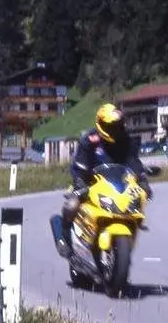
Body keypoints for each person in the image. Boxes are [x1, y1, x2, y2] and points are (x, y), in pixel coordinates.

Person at [55, 102, 152, 257]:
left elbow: (133, 162)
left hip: (117, 184)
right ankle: (64, 239)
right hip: (89, 182)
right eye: (111, 126)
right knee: (72, 205)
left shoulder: (125, 140)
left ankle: (122, 245)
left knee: (136, 205)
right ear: (101, 124)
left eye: (119, 125)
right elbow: (80, 164)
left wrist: (143, 180)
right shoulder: (90, 140)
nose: (116, 129)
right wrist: (80, 182)